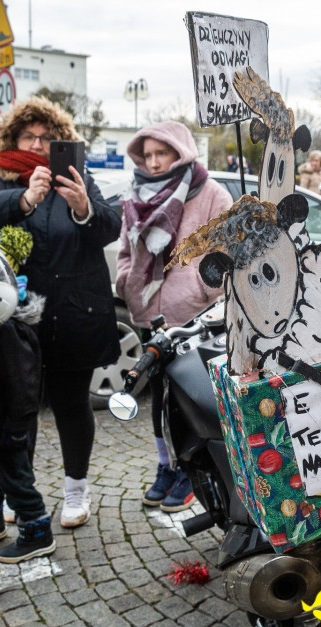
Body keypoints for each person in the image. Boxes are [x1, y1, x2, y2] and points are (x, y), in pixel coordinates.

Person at [0, 96, 120, 529]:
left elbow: (110, 225)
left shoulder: (77, 176)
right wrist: (23, 198)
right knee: (17, 408)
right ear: (11, 138)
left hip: (73, 311)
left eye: (46, 138)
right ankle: (22, 491)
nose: (37, 144)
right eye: (28, 136)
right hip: (14, 318)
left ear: (61, 142)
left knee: (72, 405)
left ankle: (77, 490)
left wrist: (83, 208)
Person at [116, 121, 233, 512]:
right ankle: (166, 466)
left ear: (179, 151)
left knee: (192, 399)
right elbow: (125, 251)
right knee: (160, 397)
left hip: (198, 318)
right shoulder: (134, 195)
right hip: (151, 313)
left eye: (160, 153)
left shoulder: (210, 193)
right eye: (146, 154)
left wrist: (208, 293)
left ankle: (190, 470)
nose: (152, 162)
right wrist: (126, 282)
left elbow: (226, 251)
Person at [0, 254, 55, 563]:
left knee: (14, 478)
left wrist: (17, 428)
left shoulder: (5, 328)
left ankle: (37, 530)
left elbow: (22, 384)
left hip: (8, 424)